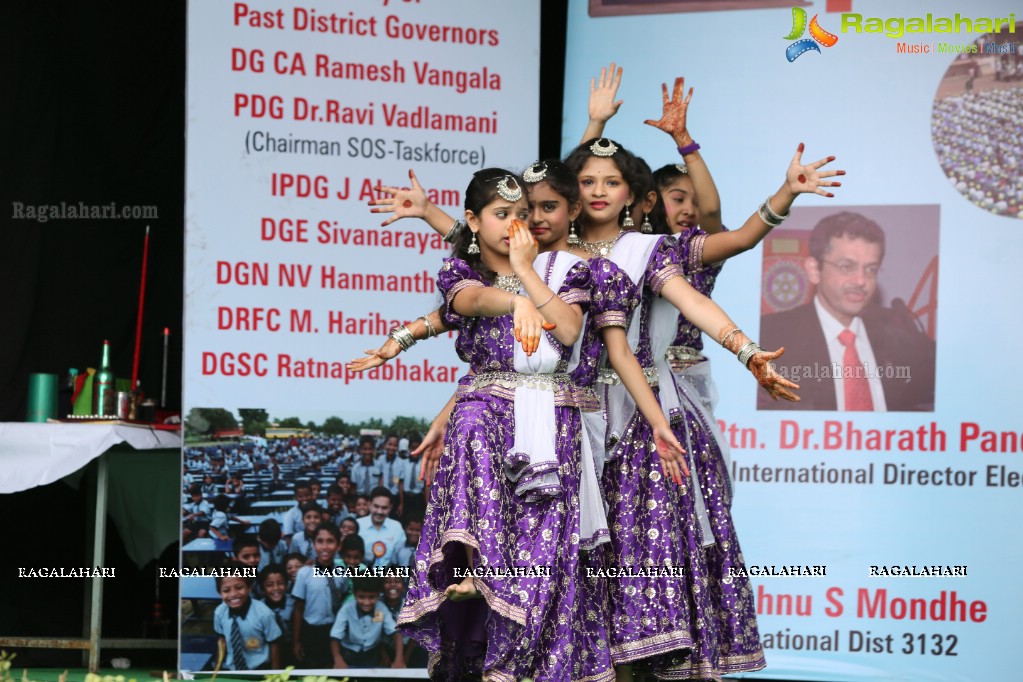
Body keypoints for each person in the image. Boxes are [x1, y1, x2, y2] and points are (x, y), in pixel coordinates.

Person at [562, 135, 799, 679]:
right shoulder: (547, 252)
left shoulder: (650, 251)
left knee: (637, 571)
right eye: (588, 181)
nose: (599, 191)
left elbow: (702, 288)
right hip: (567, 418)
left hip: (642, 420)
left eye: (612, 181)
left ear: (634, 194)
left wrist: (745, 350)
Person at [759, 210, 936, 411]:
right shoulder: (769, 338)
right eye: (847, 267)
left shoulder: (901, 333)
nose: (861, 281)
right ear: (814, 270)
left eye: (871, 269)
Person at [292, 522, 348, 668]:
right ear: (313, 544)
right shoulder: (304, 573)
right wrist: (296, 640)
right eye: (320, 541)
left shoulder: (342, 572)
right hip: (311, 631)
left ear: (338, 545)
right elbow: (298, 608)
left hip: (335, 630)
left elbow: (342, 595)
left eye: (330, 541)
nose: (324, 547)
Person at [213, 562, 282, 670]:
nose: (233, 594)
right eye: (226, 590)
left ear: (249, 587)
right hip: (232, 669)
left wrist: (275, 674)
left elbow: (274, 644)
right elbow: (222, 640)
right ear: (219, 593)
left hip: (260, 669)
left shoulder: (264, 614)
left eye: (239, 587)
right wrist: (217, 668)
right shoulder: (219, 612)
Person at [330, 576, 404, 669]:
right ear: (354, 594)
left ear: (378, 594)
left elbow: (396, 633)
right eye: (361, 597)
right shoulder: (347, 609)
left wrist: (399, 659)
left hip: (372, 654)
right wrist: (338, 659)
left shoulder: (380, 609)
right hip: (348, 654)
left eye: (372, 597)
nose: (366, 602)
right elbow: (335, 636)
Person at [357, 487, 407, 567]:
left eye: (384, 508)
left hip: (388, 576)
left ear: (390, 507)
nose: (379, 512)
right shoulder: (358, 525)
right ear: (369, 504)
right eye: (376, 506)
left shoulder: (396, 527)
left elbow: (402, 554)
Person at [259, 564, 296, 667]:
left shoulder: (293, 603)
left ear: (287, 585)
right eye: (269, 585)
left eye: (280, 583)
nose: (276, 588)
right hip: (268, 651)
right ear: (262, 588)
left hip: (291, 648)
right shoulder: (259, 608)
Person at [281, 480, 314, 544]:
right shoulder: (290, 515)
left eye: (307, 495)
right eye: (300, 496)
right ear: (295, 497)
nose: (304, 499)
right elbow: (288, 538)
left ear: (312, 495)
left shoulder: (317, 510)